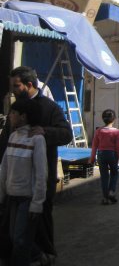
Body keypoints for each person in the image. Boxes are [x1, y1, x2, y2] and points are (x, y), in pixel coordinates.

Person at [0, 66, 73, 261]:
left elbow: (66, 134)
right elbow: (6, 140)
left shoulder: (49, 107)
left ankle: (45, 254)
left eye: (16, 86)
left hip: (40, 176)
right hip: (14, 179)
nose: (13, 91)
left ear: (29, 85)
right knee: (11, 226)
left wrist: (45, 131)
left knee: (40, 218)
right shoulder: (16, 109)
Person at [0, 99, 47, 265]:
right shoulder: (13, 136)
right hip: (12, 196)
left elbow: (41, 174)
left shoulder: (37, 140)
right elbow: (4, 168)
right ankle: (37, 255)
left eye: (13, 113)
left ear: (23, 116)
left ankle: (33, 258)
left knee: (20, 239)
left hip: (28, 198)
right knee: (14, 237)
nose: (10, 116)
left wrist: (37, 203)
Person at [89, 109, 119, 205]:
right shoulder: (117, 132)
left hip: (101, 155)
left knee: (104, 176)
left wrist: (92, 158)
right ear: (114, 119)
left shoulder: (98, 131)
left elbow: (94, 146)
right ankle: (111, 191)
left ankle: (105, 198)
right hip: (112, 155)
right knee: (114, 173)